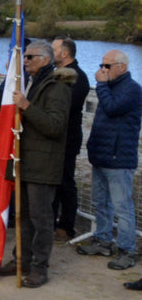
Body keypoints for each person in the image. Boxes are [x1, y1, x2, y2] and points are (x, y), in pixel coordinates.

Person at [0, 40, 74, 288]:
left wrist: (27, 106)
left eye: (30, 57)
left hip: (43, 164)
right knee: (23, 216)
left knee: (41, 219)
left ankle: (40, 267)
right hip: (26, 160)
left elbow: (54, 126)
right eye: (25, 56)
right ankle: (21, 259)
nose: (25, 61)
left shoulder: (57, 87)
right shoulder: (31, 83)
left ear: (44, 59)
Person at [78, 50, 142, 276]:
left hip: (119, 158)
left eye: (107, 65)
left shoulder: (132, 90)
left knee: (123, 208)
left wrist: (102, 85)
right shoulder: (112, 87)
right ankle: (103, 240)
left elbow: (114, 108)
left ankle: (127, 250)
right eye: (101, 65)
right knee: (100, 202)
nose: (102, 69)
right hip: (102, 155)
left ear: (121, 67)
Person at [52, 36, 90, 242]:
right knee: (54, 180)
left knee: (66, 181)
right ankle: (52, 220)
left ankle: (67, 225)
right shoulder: (55, 74)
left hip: (67, 138)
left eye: (54, 49)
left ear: (64, 53)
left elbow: (67, 107)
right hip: (55, 136)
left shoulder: (78, 77)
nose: (51, 53)